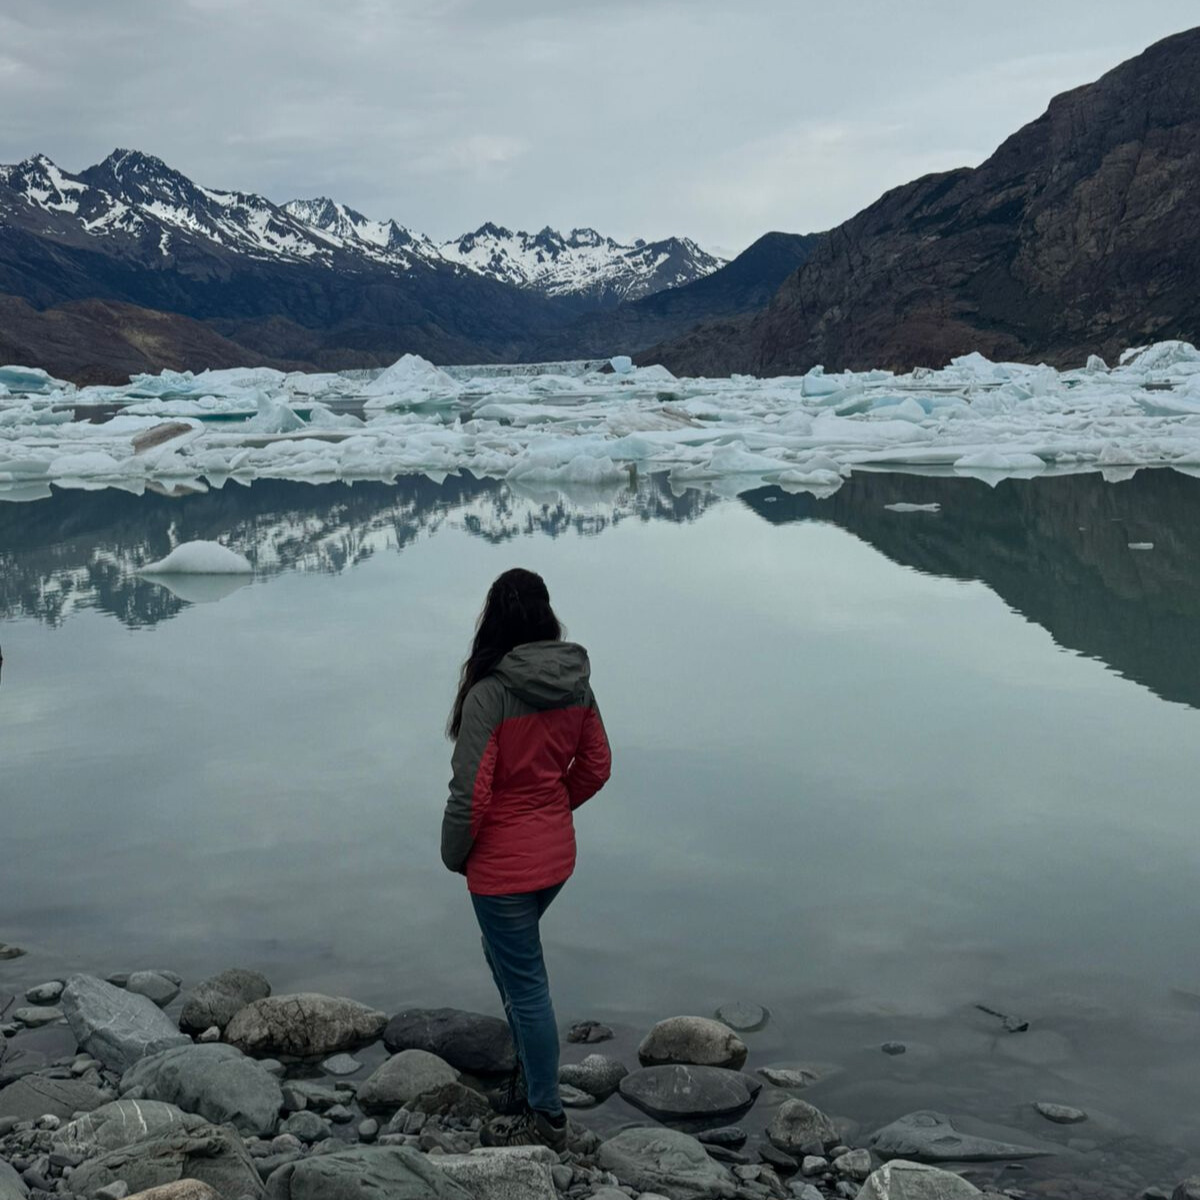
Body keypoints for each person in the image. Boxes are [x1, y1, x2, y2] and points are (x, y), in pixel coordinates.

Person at [442, 567, 612, 1150]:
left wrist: (453, 855)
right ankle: (525, 1077)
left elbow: (471, 793)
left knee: (528, 985)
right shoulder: (575, 684)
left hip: (503, 867)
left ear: (492, 620)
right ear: (544, 615)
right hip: (553, 860)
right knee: (508, 961)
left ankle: (547, 1114)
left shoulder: (489, 692)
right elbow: (595, 766)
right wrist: (550, 810)